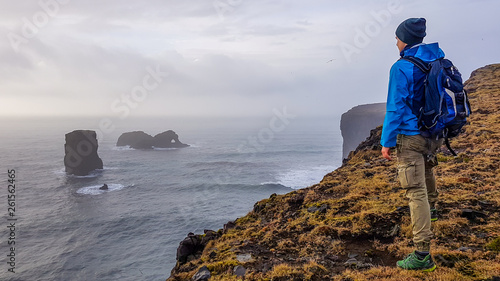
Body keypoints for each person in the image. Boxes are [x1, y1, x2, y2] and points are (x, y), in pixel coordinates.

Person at [380, 18, 445, 272]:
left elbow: (395, 108)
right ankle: (434, 210)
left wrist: (386, 142)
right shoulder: (435, 59)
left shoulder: (402, 67)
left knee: (414, 191)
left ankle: (422, 255)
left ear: (405, 39)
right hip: (434, 133)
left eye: (397, 37)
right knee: (427, 170)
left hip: (411, 136)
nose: (395, 42)